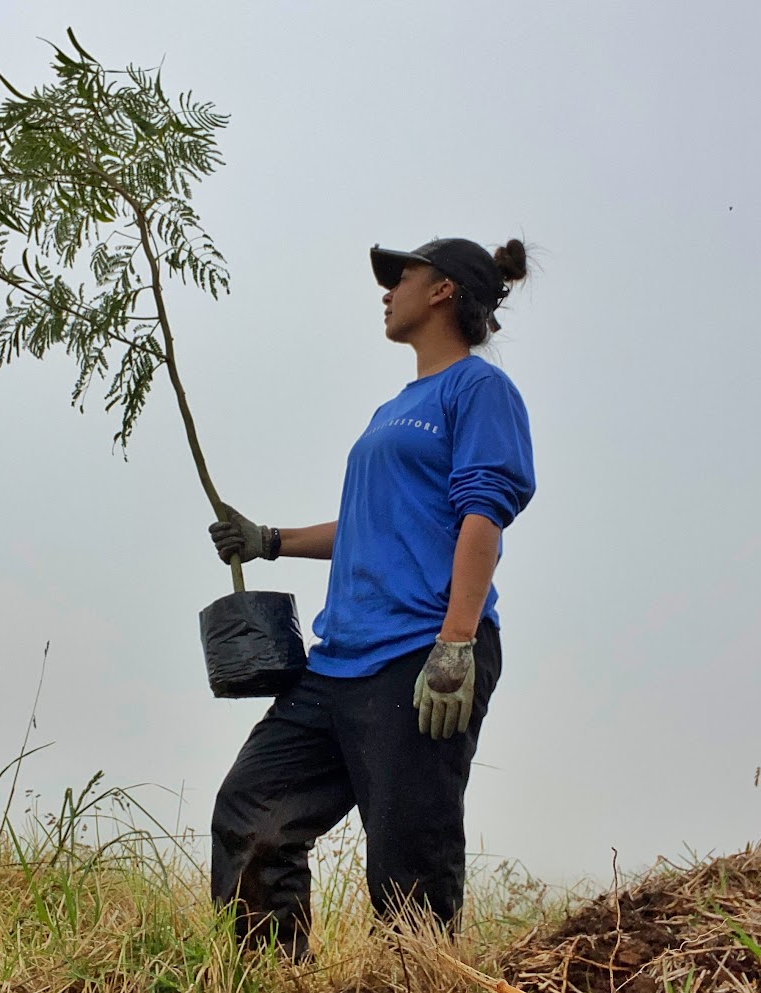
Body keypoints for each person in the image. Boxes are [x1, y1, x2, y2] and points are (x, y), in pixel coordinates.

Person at [207, 236, 536, 959]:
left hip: (421, 651)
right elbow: (368, 525)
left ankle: (414, 979)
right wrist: (268, 539)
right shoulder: (394, 408)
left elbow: (483, 513)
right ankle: (270, 976)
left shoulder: (477, 390)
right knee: (253, 811)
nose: (388, 290)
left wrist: (456, 641)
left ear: (443, 289)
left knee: (408, 867)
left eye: (402, 276)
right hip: (340, 660)